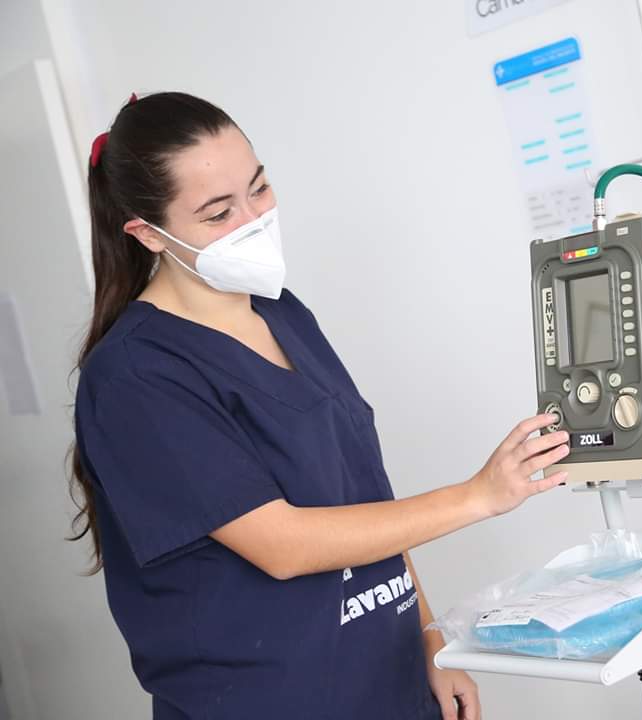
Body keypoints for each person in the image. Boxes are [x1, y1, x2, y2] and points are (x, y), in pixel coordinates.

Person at [70, 91, 570, 720]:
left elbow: (364, 498)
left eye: (259, 187)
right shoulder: (135, 376)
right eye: (219, 212)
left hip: (390, 686)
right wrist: (479, 495)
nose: (252, 219)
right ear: (148, 234)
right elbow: (282, 544)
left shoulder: (284, 313)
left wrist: (428, 638)